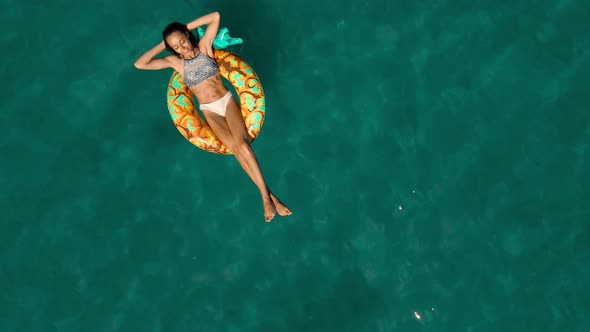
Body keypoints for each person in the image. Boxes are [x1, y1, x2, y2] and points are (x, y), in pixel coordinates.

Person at [134, 11, 291, 222]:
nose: (182, 47)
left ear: (187, 36)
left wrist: (186, 27)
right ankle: (272, 198)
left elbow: (215, 16)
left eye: (182, 41)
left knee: (243, 146)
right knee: (236, 151)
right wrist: (164, 44)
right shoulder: (176, 63)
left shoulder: (206, 47)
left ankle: (266, 198)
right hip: (209, 111)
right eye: (176, 46)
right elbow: (140, 64)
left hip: (226, 102)